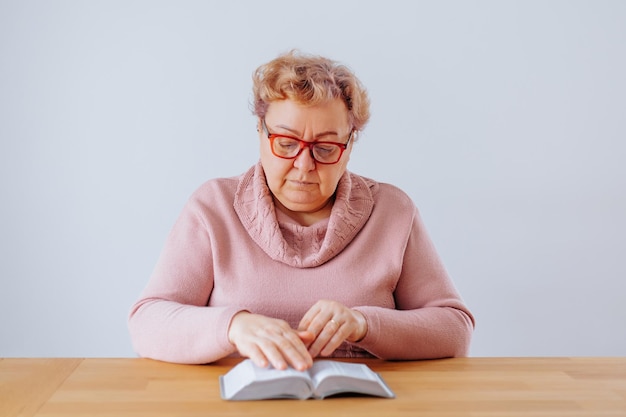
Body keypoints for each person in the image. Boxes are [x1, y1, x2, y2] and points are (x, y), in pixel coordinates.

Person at [128, 50, 474, 371]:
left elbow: (454, 330)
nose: (304, 165)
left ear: (350, 144)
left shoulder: (393, 211)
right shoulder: (213, 206)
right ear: (261, 133)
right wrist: (233, 326)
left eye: (325, 148)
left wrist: (364, 324)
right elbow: (147, 322)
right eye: (287, 144)